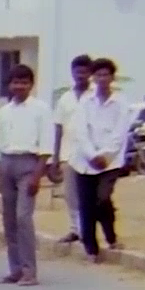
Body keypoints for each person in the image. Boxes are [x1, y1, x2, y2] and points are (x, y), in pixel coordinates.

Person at [0, 64, 50, 285]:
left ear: (31, 85)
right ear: (9, 85)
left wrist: (37, 175)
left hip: (28, 163)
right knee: (9, 219)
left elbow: (46, 145)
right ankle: (15, 268)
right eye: (16, 82)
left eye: (24, 82)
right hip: (6, 163)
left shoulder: (41, 109)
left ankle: (29, 270)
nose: (19, 87)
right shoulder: (5, 111)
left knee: (23, 217)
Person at [70, 57, 129, 262]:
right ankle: (91, 249)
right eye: (99, 75)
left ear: (112, 77)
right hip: (84, 162)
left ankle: (111, 236)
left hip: (110, 162)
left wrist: (105, 155)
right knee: (86, 204)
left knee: (102, 198)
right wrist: (92, 155)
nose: (102, 79)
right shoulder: (85, 102)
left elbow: (120, 133)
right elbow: (80, 131)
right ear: (93, 78)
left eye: (106, 75)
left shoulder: (121, 103)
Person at [52, 55, 94, 245]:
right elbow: (58, 128)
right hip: (68, 153)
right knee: (70, 195)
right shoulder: (65, 98)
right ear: (72, 73)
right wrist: (55, 158)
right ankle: (75, 229)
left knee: (89, 195)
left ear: (90, 73)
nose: (80, 75)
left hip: (90, 155)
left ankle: (88, 231)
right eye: (77, 72)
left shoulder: (95, 96)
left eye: (84, 72)